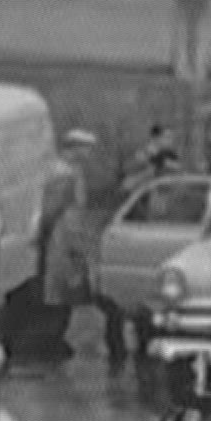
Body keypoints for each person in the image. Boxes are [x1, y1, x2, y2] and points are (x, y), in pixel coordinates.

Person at [42, 128, 129, 369]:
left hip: (71, 233)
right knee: (65, 290)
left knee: (69, 291)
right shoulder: (63, 174)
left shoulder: (70, 172)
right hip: (64, 236)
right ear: (74, 148)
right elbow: (52, 209)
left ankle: (59, 340)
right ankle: (56, 341)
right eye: (86, 148)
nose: (89, 153)